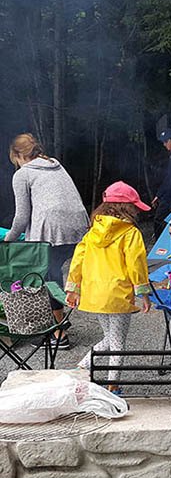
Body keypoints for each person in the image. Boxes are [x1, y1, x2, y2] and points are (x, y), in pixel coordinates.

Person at [65, 181, 152, 393]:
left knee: (110, 338)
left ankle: (80, 369)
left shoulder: (93, 231)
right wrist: (143, 293)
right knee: (118, 343)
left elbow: (78, 260)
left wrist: (72, 288)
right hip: (118, 295)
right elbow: (136, 264)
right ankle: (113, 386)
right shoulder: (130, 233)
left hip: (95, 294)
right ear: (127, 207)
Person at [5, 133, 89, 348]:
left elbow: (22, 217)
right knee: (52, 272)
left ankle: (59, 333)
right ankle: (58, 320)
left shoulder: (23, 174)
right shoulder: (55, 164)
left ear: (17, 155)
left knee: (48, 275)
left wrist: (7, 240)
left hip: (52, 229)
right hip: (80, 224)